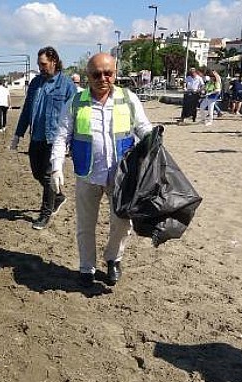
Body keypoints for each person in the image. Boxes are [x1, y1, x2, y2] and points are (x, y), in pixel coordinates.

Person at [50, 53, 153, 287]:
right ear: (88, 76)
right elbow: (61, 136)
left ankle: (113, 259)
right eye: (97, 74)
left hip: (121, 175)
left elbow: (143, 128)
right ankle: (87, 268)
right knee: (85, 225)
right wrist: (57, 166)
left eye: (108, 73)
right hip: (87, 174)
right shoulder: (76, 102)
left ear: (115, 74)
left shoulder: (128, 99)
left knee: (122, 223)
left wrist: (152, 139)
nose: (103, 78)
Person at [11, 46, 76, 230]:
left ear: (54, 61)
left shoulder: (66, 85)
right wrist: (18, 134)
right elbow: (26, 110)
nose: (41, 67)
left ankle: (45, 214)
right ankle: (58, 196)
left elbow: (74, 114)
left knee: (48, 177)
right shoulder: (35, 83)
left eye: (43, 64)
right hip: (36, 137)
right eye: (39, 64)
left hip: (54, 139)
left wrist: (72, 141)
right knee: (37, 173)